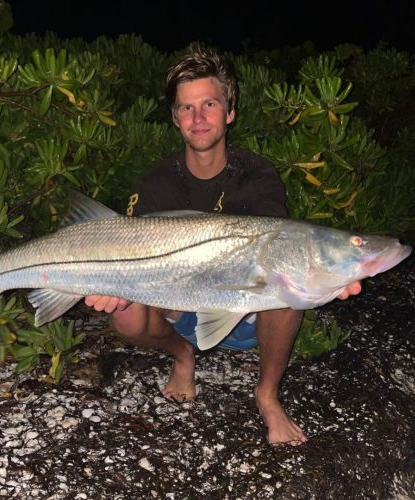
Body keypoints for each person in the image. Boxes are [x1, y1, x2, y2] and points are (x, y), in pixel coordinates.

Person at [84, 45, 361, 446]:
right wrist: (113, 286)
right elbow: (127, 248)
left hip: (247, 315)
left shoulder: (257, 174)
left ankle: (267, 395)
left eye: (209, 104)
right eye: (186, 108)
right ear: (176, 119)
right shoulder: (157, 181)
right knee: (124, 315)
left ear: (229, 112)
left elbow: (280, 247)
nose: (198, 118)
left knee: (287, 287)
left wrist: (330, 278)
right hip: (176, 309)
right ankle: (182, 356)